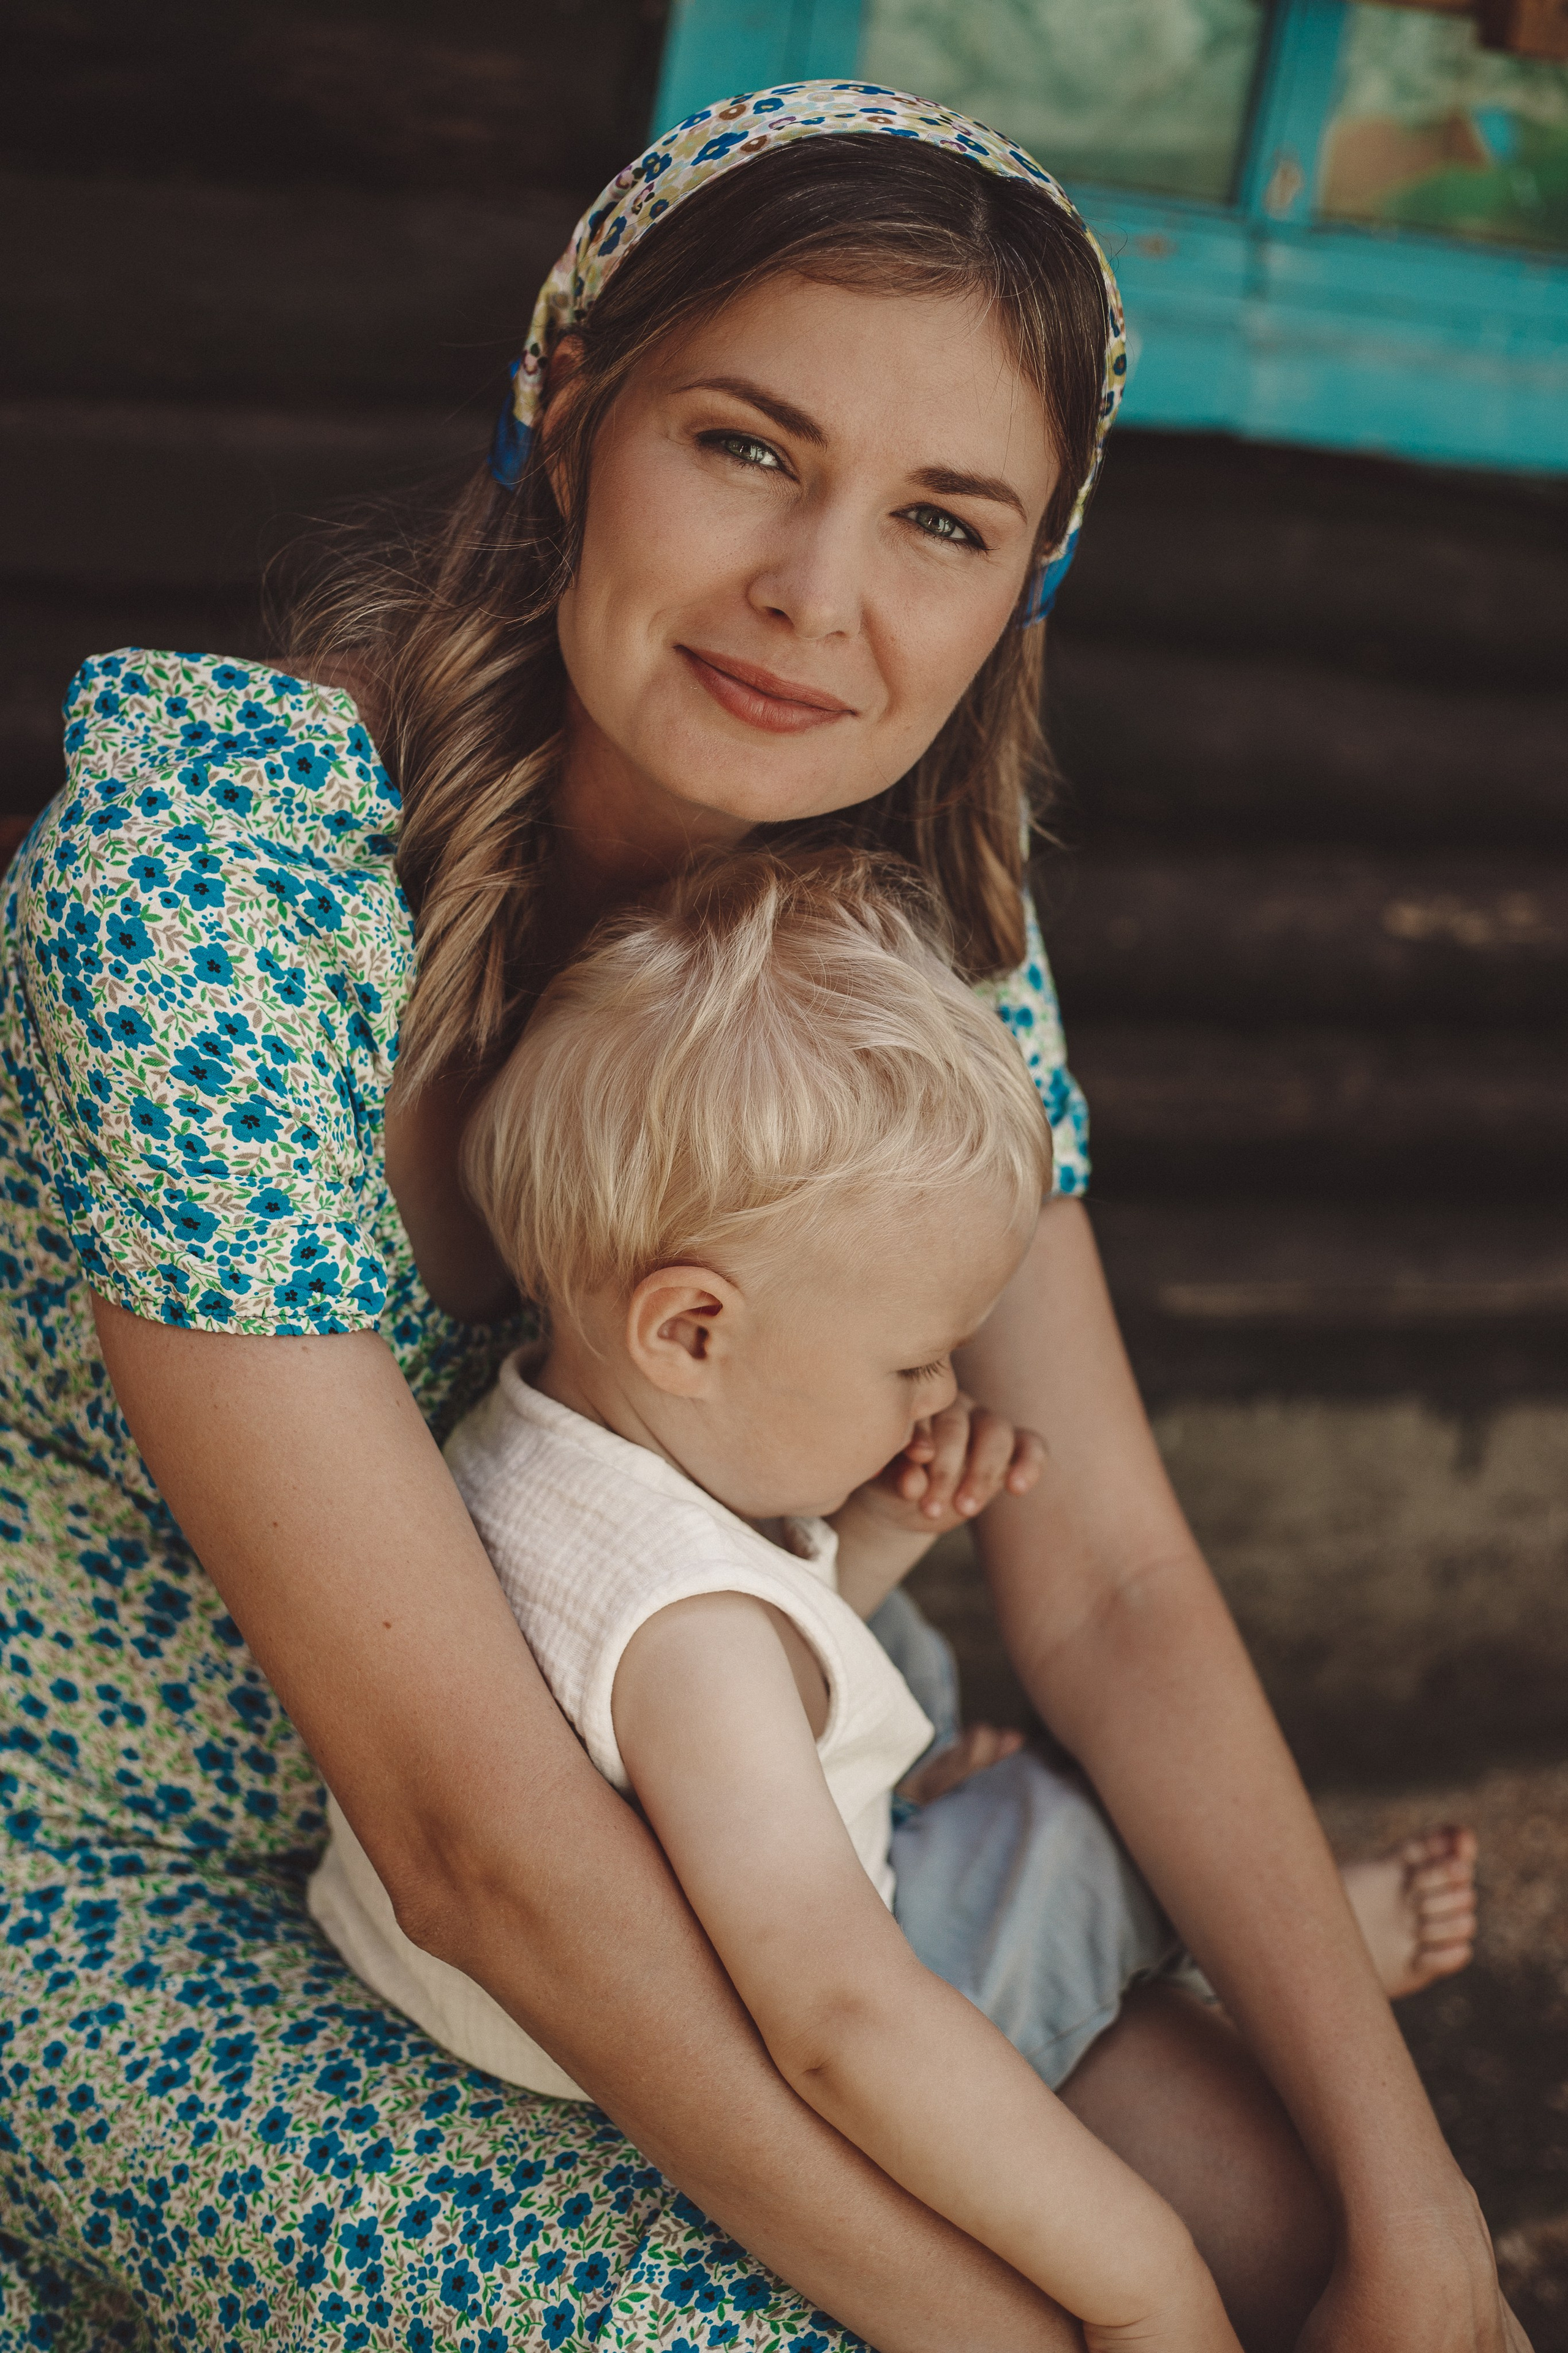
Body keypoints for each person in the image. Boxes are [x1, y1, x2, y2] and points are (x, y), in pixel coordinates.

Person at [0, 78, 1507, 2353]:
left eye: (944, 522)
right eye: (747, 449)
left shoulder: (918, 949)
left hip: (683, 1853)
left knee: (1287, 2231)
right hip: (137, 1892)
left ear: (1030, 588)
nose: (820, 602)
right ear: (573, 411)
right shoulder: (211, 892)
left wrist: (1432, 2231)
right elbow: (469, 1844)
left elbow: (1104, 1572)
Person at [312, 844, 1251, 2353]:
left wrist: (869, 1527)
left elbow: (717, 1652)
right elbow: (841, 2019)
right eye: (915, 1360)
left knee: (918, 1678)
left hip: (509, 1998)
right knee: (1065, 1828)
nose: (944, 1389)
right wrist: (1147, 2283)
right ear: (693, 1327)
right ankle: (1201, 1955)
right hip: (753, 2025)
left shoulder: (522, 1441)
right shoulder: (697, 1642)